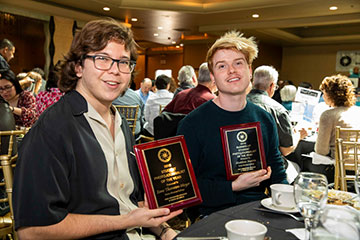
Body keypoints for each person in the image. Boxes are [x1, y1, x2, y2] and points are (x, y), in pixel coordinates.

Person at [13, 18, 181, 240]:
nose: (115, 71)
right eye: (102, 58)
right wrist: (125, 221)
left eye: (124, 62)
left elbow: (130, 202)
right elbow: (33, 231)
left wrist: (166, 231)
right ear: (79, 67)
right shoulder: (51, 130)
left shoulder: (120, 121)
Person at [177, 31, 287, 218]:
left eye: (238, 63)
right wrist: (234, 186)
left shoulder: (264, 119)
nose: (232, 71)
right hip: (212, 215)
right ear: (212, 77)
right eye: (222, 66)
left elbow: (277, 174)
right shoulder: (192, 124)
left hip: (260, 211)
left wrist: (289, 203)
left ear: (250, 71)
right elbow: (185, 187)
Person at [247, 65, 307, 183]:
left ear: (253, 82)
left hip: (240, 165)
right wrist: (299, 135)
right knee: (296, 168)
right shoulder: (277, 109)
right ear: (272, 86)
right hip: (268, 169)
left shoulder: (236, 103)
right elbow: (286, 150)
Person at [316, 74, 360, 159]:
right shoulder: (358, 111)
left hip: (339, 165)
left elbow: (321, 150)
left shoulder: (328, 115)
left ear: (331, 95)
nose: (323, 96)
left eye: (324, 93)